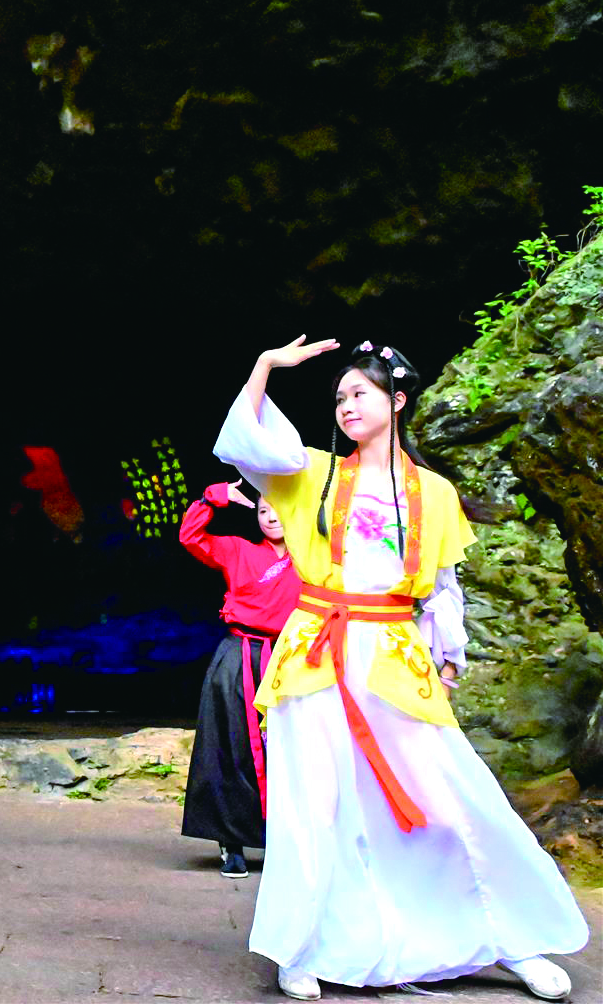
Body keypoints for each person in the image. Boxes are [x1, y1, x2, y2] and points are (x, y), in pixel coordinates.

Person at [214, 336, 588, 1001]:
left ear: (397, 401)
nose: (346, 405)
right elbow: (251, 446)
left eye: (360, 393)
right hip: (317, 654)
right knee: (315, 805)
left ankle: (506, 938)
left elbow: (442, 586)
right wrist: (266, 367)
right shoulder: (313, 472)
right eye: (339, 397)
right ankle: (303, 947)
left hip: (394, 654)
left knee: (450, 796)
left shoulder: (434, 492)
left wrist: (448, 655)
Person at [177, 478, 300, 878]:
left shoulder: (310, 558)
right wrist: (212, 498)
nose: (271, 517)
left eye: (278, 509)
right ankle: (232, 844)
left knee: (293, 751)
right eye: (264, 510)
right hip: (240, 657)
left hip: (290, 659)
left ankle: (288, 841)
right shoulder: (238, 550)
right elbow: (191, 537)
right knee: (231, 747)